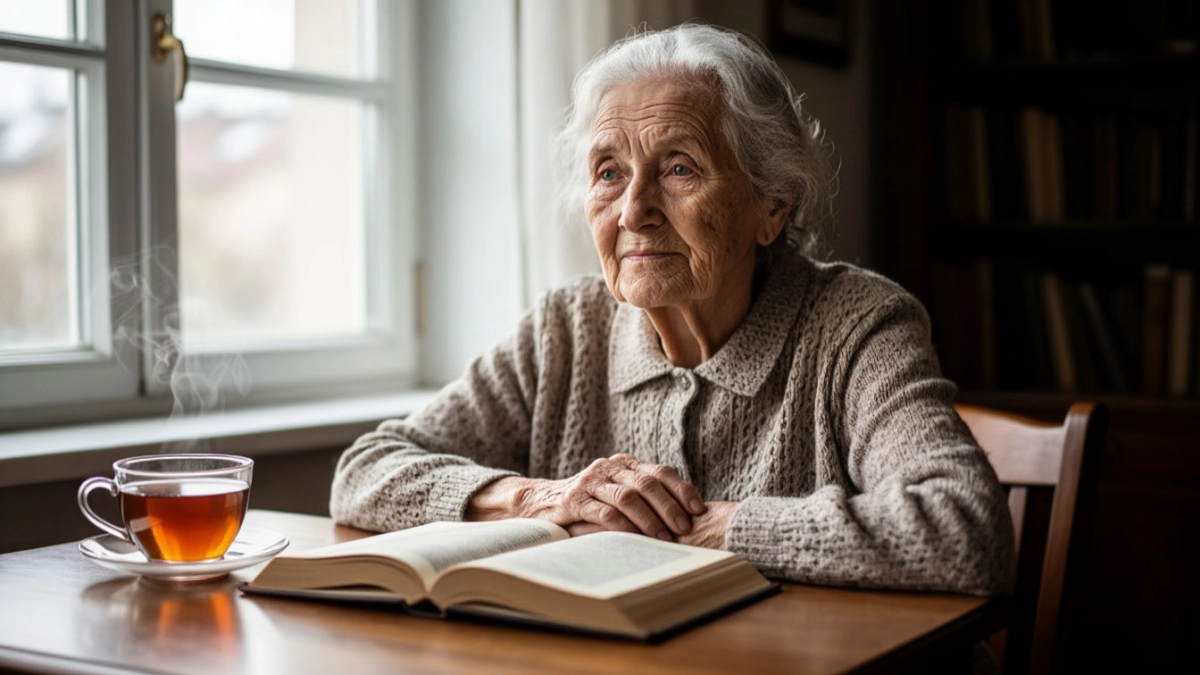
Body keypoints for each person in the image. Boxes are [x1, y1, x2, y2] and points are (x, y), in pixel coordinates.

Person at [331, 23, 1015, 596]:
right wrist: (542, 498)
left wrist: (708, 528)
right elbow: (365, 471)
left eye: (679, 167)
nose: (633, 211)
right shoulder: (567, 328)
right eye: (609, 173)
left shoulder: (857, 325)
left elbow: (965, 529)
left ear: (772, 205)